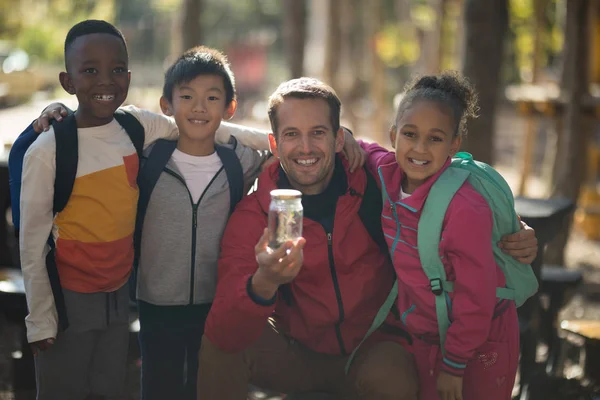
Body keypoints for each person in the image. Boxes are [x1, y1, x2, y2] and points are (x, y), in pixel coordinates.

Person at [197, 77, 538, 399]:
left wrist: (514, 230)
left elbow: (448, 194)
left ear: (339, 138)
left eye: (318, 132)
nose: (305, 147)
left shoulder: (380, 182)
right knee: (219, 342)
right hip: (296, 350)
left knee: (397, 381)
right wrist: (264, 282)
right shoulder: (256, 212)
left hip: (374, 348)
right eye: (291, 134)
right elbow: (226, 323)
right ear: (274, 142)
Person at [18, 20, 269, 400]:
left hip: (119, 296)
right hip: (67, 298)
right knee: (63, 388)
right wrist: (40, 320)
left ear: (130, 76)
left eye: (117, 70)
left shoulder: (137, 127)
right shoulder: (50, 149)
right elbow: (32, 242)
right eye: (90, 71)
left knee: (109, 388)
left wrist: (278, 138)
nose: (106, 80)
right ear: (68, 82)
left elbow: (203, 128)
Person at [360, 72, 520, 400]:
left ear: (454, 144)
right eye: (410, 134)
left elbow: (477, 294)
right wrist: (349, 140)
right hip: (428, 337)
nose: (419, 148)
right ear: (394, 136)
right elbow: (370, 151)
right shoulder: (389, 175)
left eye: (435, 138)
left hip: (481, 343)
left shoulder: (463, 208)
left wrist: (455, 363)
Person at [133, 45, 268, 400]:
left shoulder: (240, 160)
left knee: (206, 386)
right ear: (167, 105)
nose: (198, 107)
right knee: (158, 387)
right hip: (156, 300)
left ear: (229, 108)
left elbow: (285, 148)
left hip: (215, 300)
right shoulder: (147, 157)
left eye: (212, 98)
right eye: (187, 96)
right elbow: (108, 123)